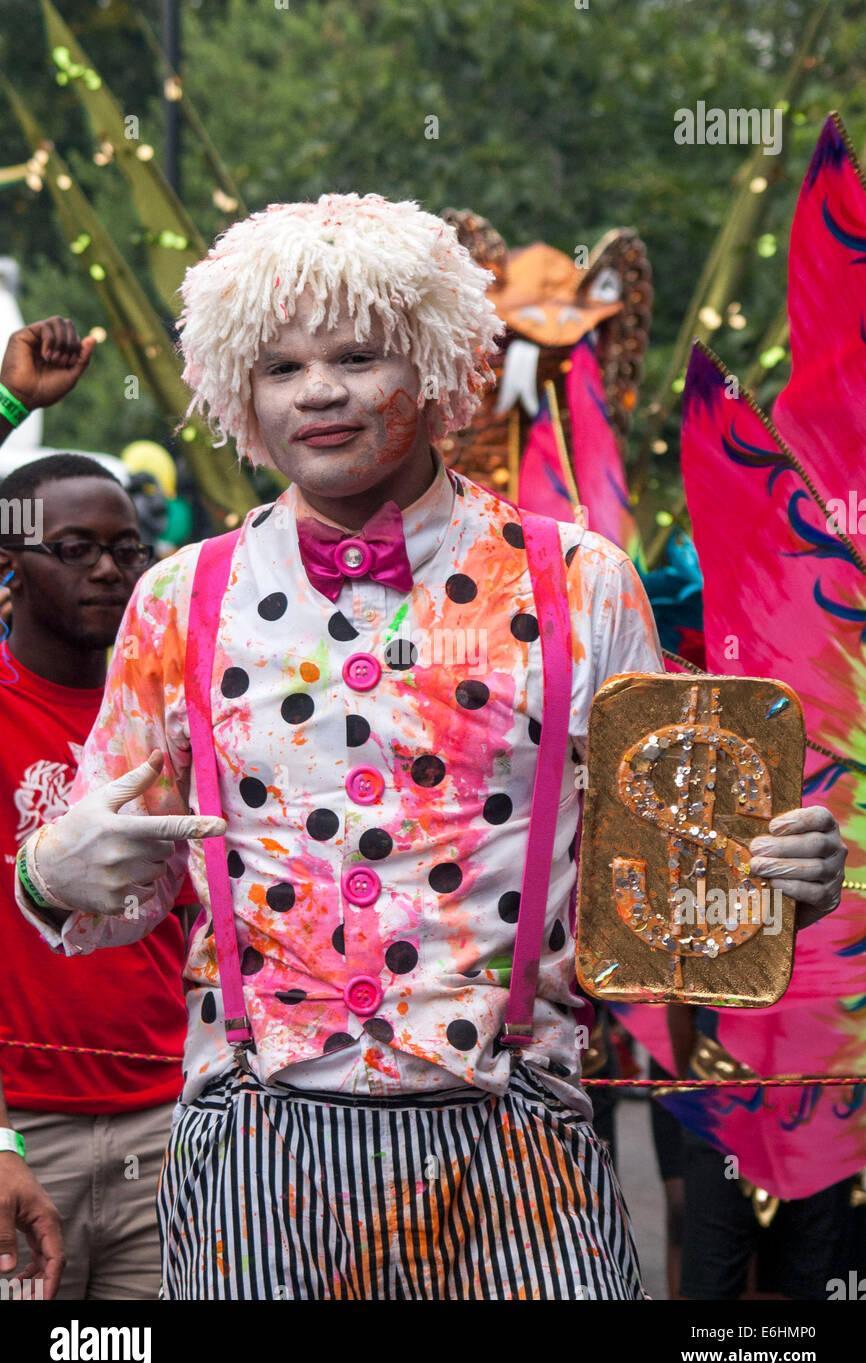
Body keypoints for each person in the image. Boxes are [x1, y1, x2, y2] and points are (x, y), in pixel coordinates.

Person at [11, 198, 848, 1301]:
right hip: (259, 1150)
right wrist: (45, 876)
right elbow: (126, 886)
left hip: (518, 1148)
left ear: (437, 365)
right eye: (279, 367)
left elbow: (664, 876)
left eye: (357, 355)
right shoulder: (180, 598)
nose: (317, 390)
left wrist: (773, 880)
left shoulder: (579, 579)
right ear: (239, 392)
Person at [0, 319, 196, 1300]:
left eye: (127, 548)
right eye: (74, 548)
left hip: (168, 1126)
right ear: (10, 563)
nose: (110, 570)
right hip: (13, 1138)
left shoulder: (185, 712)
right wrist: (8, 408)